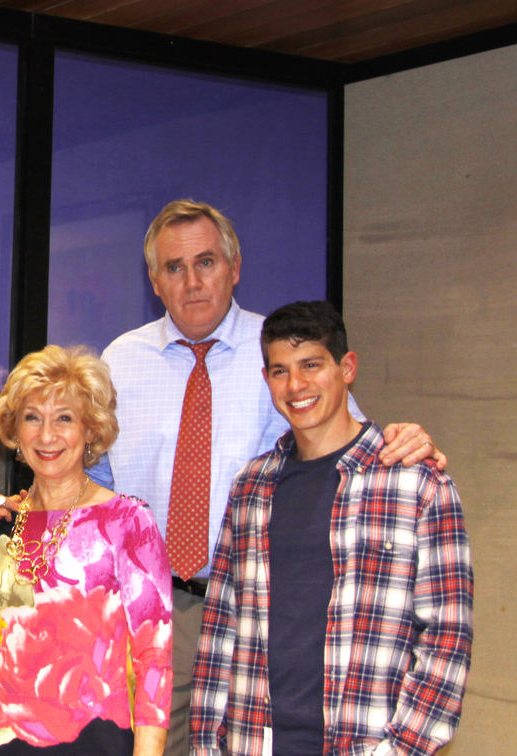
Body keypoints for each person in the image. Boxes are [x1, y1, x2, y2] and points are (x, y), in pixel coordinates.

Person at [85, 199, 444, 756]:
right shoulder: (120, 361)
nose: (192, 282)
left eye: (206, 262)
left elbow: (350, 445)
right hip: (150, 610)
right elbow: (94, 486)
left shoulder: (282, 352)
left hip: (259, 616)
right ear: (154, 281)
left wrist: (409, 444)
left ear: (234, 267)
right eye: (174, 268)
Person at [190, 301, 473, 755]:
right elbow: (221, 629)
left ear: (347, 368)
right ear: (266, 379)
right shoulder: (250, 487)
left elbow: (447, 638)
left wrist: (401, 749)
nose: (295, 385)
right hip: (254, 740)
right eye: (280, 371)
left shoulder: (416, 484)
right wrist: (206, 745)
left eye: (311, 365)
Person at [0, 345, 172, 756]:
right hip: (0, 743)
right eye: (32, 417)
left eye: (64, 418)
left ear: (91, 430)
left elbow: (154, 661)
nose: (46, 435)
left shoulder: (128, 521)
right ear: (15, 431)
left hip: (98, 744)